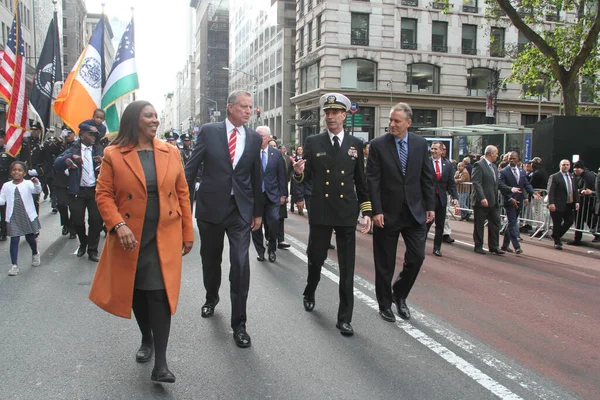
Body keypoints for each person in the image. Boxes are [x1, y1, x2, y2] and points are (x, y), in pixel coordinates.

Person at [88, 101, 194, 383]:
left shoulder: (171, 152)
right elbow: (103, 195)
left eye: (157, 116)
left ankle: (161, 363)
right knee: (136, 292)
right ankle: (145, 336)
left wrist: (187, 232)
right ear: (135, 120)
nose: (155, 120)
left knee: (159, 293)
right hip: (130, 237)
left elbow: (182, 193)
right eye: (149, 115)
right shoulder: (113, 154)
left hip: (164, 234)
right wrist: (117, 224)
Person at [184, 90, 263, 348]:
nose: (248, 111)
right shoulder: (209, 131)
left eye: (251, 107)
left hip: (240, 210)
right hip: (211, 208)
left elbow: (255, 177)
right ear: (230, 107)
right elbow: (192, 167)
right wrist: (183, 205)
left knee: (241, 265)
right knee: (211, 259)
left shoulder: (252, 138)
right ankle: (211, 297)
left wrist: (258, 212)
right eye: (244, 106)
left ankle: (239, 324)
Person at [293, 93, 372, 337]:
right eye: (327, 113)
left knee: (347, 267)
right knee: (316, 258)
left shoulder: (355, 145)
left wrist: (366, 210)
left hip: (346, 211)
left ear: (344, 115)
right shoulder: (314, 142)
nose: (330, 117)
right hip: (322, 210)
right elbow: (304, 176)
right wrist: (297, 173)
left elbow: (361, 180)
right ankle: (310, 290)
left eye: (335, 112)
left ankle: (344, 318)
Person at [366, 102, 434, 322]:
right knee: (384, 263)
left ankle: (399, 294)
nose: (392, 124)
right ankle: (384, 304)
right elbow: (372, 180)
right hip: (386, 213)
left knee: (417, 257)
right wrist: (376, 210)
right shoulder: (378, 145)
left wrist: (430, 206)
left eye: (396, 121)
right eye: (390, 120)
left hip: (415, 212)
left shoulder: (420, 144)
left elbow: (427, 177)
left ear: (408, 123)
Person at [54, 128, 104, 262]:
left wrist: (102, 160)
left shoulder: (98, 148)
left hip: (94, 190)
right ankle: (83, 242)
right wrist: (70, 158)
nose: (93, 137)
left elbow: (109, 163)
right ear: (82, 136)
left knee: (95, 220)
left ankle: (92, 250)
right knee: (77, 220)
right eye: (90, 134)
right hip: (77, 191)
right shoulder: (73, 149)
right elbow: (57, 164)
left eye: (94, 135)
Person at [471, 145, 520, 255]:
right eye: (496, 153)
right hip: (481, 201)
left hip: (493, 201)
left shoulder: (494, 166)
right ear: (491, 154)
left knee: (495, 223)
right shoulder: (479, 165)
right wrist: (482, 197)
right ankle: (478, 245)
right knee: (479, 224)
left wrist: (511, 189)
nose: (497, 156)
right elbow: (476, 183)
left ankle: (494, 246)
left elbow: (498, 184)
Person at [0, 161, 42, 276]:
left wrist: (36, 182)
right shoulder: (6, 185)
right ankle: (14, 265)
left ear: (24, 173)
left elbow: (37, 190)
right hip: (13, 215)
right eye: (14, 170)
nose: (16, 172)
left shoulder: (28, 183)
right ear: (11, 172)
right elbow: (2, 200)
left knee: (30, 238)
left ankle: (35, 253)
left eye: (19, 170)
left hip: (27, 214)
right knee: (14, 240)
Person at [252, 126, 287, 263]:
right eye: (258, 136)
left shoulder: (276, 154)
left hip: (272, 195)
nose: (260, 139)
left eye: (262, 136)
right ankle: (260, 251)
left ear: (268, 138)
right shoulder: (251, 153)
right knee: (255, 226)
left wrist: (283, 194)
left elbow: (282, 176)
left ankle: (272, 248)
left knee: (273, 223)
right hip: (256, 196)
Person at [499, 152, 541, 254]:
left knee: (511, 223)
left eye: (513, 158)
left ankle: (504, 245)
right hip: (509, 201)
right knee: (513, 222)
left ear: (518, 160)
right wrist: (509, 198)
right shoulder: (503, 171)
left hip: (519, 200)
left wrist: (533, 193)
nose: (511, 160)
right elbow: (501, 186)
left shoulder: (522, 172)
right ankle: (516, 246)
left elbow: (526, 184)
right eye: (509, 158)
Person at [427, 142, 459, 257]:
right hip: (428, 199)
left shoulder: (448, 165)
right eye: (432, 149)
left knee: (440, 225)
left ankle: (437, 248)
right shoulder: (426, 162)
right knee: (426, 224)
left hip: (441, 199)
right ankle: (419, 247)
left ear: (441, 151)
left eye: (436, 149)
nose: (433, 151)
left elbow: (451, 183)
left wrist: (455, 197)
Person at [547, 159, 580, 250]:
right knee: (557, 223)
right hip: (557, 204)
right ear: (560, 166)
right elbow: (551, 191)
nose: (566, 166)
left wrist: (577, 201)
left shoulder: (572, 177)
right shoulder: (554, 177)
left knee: (569, 221)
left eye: (567, 165)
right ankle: (557, 242)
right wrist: (551, 203)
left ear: (570, 166)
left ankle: (556, 235)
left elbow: (574, 190)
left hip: (569, 204)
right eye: (564, 165)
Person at [52, 126, 77, 238]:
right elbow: (51, 151)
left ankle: (72, 227)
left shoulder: (76, 146)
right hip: (60, 178)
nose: (68, 135)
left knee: (73, 205)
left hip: (72, 178)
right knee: (61, 204)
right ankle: (65, 223)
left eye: (70, 133)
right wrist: (60, 140)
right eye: (67, 133)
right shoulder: (60, 144)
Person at [19, 121, 45, 214]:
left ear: (40, 131)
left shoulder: (43, 144)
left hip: (35, 175)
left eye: (36, 130)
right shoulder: (25, 142)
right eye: (32, 130)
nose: (34, 132)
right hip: (24, 174)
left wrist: (38, 171)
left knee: (34, 199)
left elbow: (47, 161)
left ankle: (34, 221)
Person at [569, 160, 597, 245]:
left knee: (580, 220)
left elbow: (586, 190)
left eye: (577, 170)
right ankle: (595, 234)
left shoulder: (588, 176)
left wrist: (578, 190)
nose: (575, 172)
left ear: (581, 169)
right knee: (587, 220)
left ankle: (577, 238)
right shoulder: (581, 175)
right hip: (585, 201)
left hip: (586, 202)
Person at [0, 131, 16, 241]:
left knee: (3, 208)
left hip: (4, 183)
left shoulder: (9, 151)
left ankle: (3, 231)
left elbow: (13, 167)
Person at [276, 144, 292, 249]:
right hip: (267, 193)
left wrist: (285, 194)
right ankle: (270, 237)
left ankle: (281, 240)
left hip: (280, 191)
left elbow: (285, 177)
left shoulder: (285, 159)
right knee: (270, 219)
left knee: (280, 217)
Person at [290, 145, 305, 215]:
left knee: (302, 193)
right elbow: (290, 169)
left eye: (301, 149)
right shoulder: (293, 159)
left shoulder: (305, 158)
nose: (300, 151)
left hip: (303, 178)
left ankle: (300, 210)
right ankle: (292, 205)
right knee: (294, 193)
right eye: (298, 149)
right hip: (295, 178)